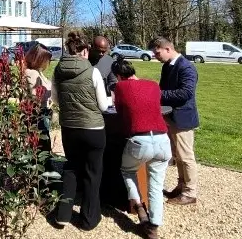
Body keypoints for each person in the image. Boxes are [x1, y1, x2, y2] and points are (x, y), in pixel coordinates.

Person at [52, 32, 111, 231]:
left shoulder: (57, 70)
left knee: (71, 168)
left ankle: (63, 215)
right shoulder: (93, 71)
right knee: (92, 173)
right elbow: (103, 106)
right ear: (85, 50)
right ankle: (88, 219)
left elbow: (56, 99)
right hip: (93, 129)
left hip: (69, 128)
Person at [112, 60, 171, 239]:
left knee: (127, 170)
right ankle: (154, 225)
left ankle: (138, 205)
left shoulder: (120, 87)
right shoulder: (153, 85)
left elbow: (119, 110)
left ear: (118, 76)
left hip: (139, 140)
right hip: (162, 139)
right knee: (156, 184)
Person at [150, 37, 199, 205]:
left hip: (183, 118)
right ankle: (181, 186)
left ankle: (190, 192)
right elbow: (163, 88)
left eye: (157, 53)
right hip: (170, 117)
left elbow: (185, 93)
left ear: (168, 49)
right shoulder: (167, 66)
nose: (156, 56)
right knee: (177, 155)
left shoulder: (186, 67)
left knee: (186, 156)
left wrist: (157, 94)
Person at [22, 44, 53, 152]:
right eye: (47, 59)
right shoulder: (32, 73)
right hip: (38, 114)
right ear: (40, 59)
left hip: (43, 112)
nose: (48, 63)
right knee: (42, 145)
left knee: (44, 143)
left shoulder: (38, 72)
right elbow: (35, 96)